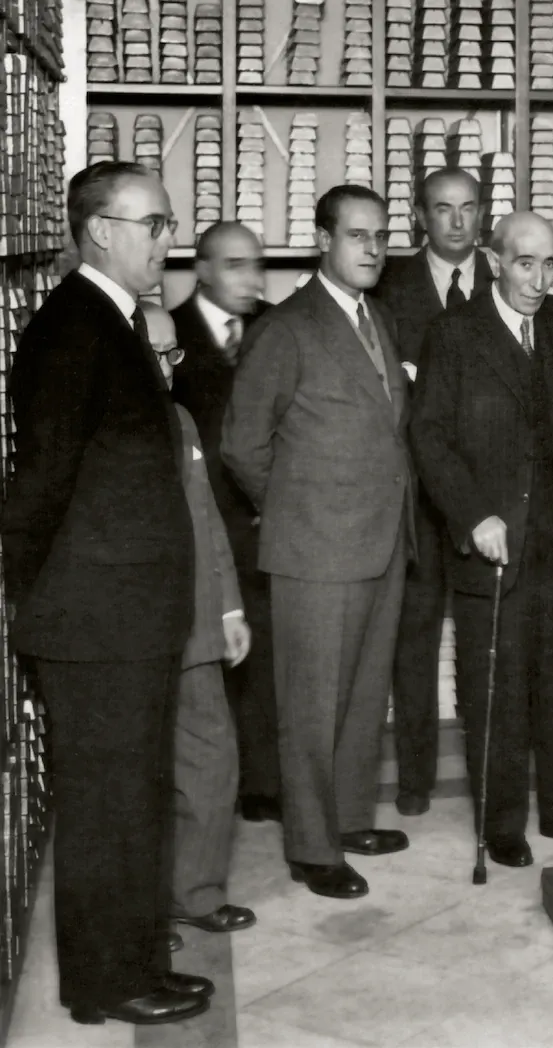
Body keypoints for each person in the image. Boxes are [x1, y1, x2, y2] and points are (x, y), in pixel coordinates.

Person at [0, 161, 212, 1024]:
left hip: (127, 617)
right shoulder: (72, 329)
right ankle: (101, 983)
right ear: (100, 231)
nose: (170, 239)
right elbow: (41, 483)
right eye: (155, 223)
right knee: (104, 808)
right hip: (94, 623)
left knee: (132, 800)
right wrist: (30, 599)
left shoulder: (113, 321)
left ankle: (136, 962)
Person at [409, 212, 553, 863]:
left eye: (550, 263)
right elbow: (431, 439)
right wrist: (474, 514)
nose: (539, 277)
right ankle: (500, 824)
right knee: (494, 693)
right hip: (493, 545)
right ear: (493, 261)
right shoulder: (454, 334)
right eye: (525, 262)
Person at [222, 185, 412, 900]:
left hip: (381, 538)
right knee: (311, 700)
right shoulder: (289, 328)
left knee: (364, 694)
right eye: (357, 236)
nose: (372, 249)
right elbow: (242, 444)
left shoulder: (377, 318)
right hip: (315, 547)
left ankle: (349, 819)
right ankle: (310, 845)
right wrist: (293, 508)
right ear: (323, 242)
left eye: (381, 236)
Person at [370, 166, 493, 817]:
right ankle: (415, 779)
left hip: (483, 502)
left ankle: (488, 778)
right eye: (442, 209)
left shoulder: (504, 282)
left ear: (482, 214)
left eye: (467, 208)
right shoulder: (386, 287)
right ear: (420, 217)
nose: (455, 221)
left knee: (485, 644)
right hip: (414, 500)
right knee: (412, 645)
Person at [141, 304, 258, 945]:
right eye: (151, 352)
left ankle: (195, 892)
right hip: (136, 630)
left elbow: (208, 521)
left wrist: (230, 608)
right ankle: (142, 909)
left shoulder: (181, 418)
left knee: (212, 760)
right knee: (139, 777)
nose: (164, 366)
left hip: (193, 626)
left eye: (171, 353)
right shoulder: (110, 426)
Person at [171, 221, 279, 824]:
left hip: (271, 524)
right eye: (235, 265)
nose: (251, 278)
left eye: (255, 264)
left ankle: (264, 786)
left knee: (269, 661)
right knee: (211, 670)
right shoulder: (169, 335)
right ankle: (217, 794)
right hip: (205, 532)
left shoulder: (276, 327)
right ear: (204, 269)